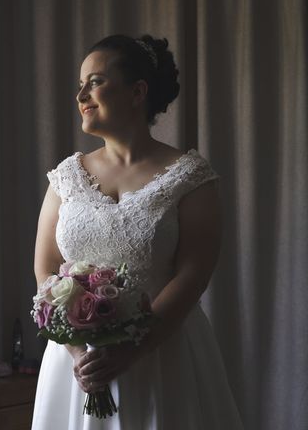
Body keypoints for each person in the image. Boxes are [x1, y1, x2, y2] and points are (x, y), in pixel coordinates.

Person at [31, 34, 244, 429]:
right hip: (77, 365)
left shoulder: (190, 176)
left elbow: (194, 273)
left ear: (137, 92)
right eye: (80, 84)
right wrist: (78, 353)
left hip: (164, 355)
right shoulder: (66, 176)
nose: (81, 94)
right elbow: (45, 266)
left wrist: (132, 350)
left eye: (95, 81)